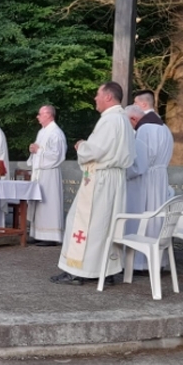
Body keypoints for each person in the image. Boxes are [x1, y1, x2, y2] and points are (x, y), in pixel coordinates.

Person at [51, 82, 135, 286]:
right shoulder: (123, 119)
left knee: (83, 223)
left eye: (97, 95)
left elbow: (95, 150)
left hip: (101, 180)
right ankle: (106, 270)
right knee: (105, 226)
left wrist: (81, 146)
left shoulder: (110, 120)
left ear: (108, 97)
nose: (95, 99)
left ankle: (76, 271)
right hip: (115, 180)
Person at [126, 101, 174, 272]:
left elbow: (139, 163)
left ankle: (139, 263)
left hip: (144, 181)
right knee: (156, 220)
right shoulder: (165, 128)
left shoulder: (144, 130)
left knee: (141, 217)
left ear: (133, 118)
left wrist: (125, 172)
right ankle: (157, 261)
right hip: (160, 179)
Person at [26, 105, 67, 246]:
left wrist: (39, 151)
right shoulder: (42, 132)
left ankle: (51, 236)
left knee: (48, 202)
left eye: (40, 114)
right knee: (39, 203)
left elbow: (57, 155)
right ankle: (38, 233)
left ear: (49, 115)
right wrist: (33, 149)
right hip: (40, 173)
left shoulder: (56, 133)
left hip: (49, 173)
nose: (37, 116)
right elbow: (38, 150)